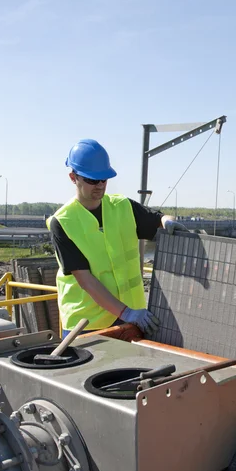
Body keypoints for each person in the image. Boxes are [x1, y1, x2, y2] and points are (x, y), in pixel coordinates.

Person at [47, 139, 186, 338]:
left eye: (103, 179)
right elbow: (86, 280)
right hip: (87, 323)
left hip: (131, 315)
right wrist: (127, 313)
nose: (100, 185)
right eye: (92, 180)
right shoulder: (62, 222)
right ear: (73, 177)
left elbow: (157, 219)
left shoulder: (123, 207)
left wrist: (168, 221)